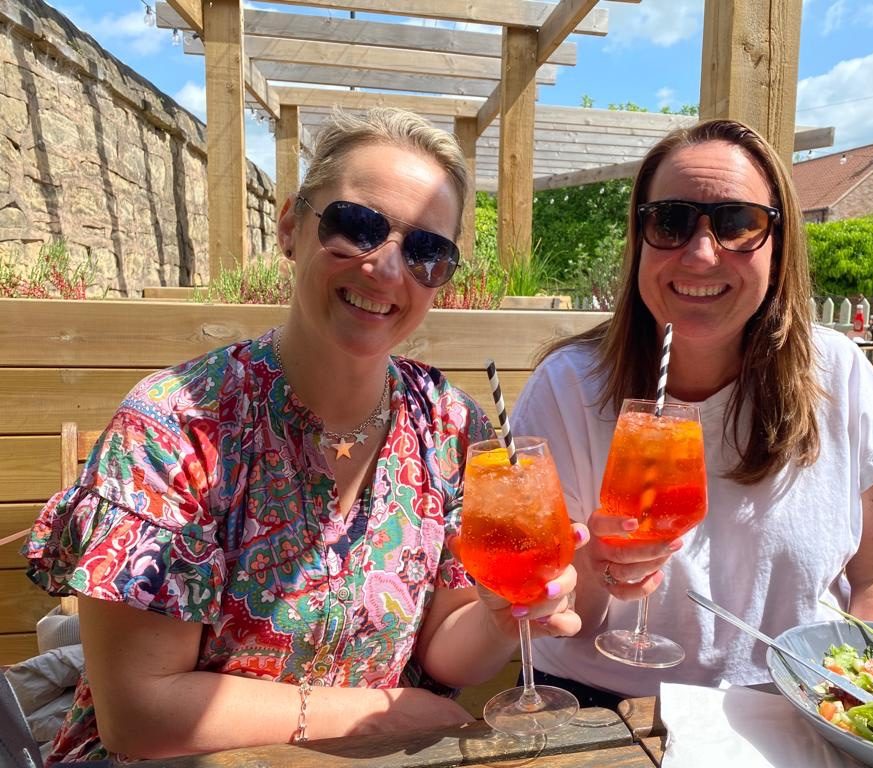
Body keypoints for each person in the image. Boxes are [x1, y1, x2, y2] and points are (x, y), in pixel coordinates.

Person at [22, 108, 583, 763]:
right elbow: (140, 715)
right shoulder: (175, 425)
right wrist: (367, 715)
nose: (387, 268)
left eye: (427, 252)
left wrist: (501, 617)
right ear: (291, 226)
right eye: (357, 226)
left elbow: (444, 647)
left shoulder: (452, 426)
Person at [511, 118, 873, 706]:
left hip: (799, 703)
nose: (702, 254)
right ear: (639, 239)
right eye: (670, 222)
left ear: (779, 245)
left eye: (737, 223)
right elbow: (548, 609)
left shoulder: (840, 375)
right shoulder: (569, 386)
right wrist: (596, 569)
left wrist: (861, 704)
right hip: (598, 703)